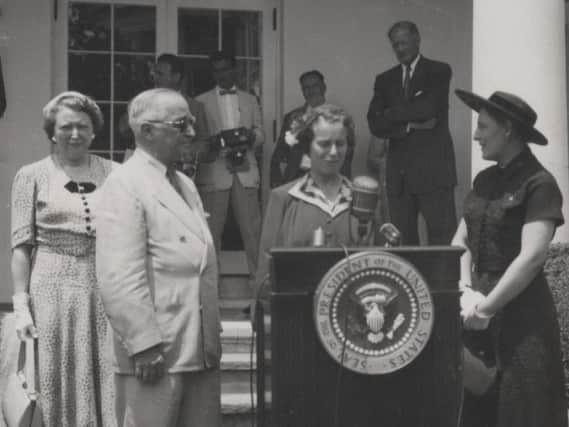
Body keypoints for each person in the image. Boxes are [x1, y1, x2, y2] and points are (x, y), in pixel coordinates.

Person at [96, 88, 221, 427]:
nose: (193, 133)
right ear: (147, 130)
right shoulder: (124, 183)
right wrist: (144, 344)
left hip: (198, 349)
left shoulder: (184, 183)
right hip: (155, 354)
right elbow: (118, 275)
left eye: (192, 122)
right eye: (182, 124)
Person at [453, 89, 568, 427]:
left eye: (483, 127)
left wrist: (488, 307)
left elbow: (532, 257)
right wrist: (465, 293)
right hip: (475, 311)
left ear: (508, 130)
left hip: (521, 316)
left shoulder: (540, 184)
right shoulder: (485, 180)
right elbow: (461, 239)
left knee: (522, 405)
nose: (476, 135)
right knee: (476, 403)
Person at [10, 91, 115, 426]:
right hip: (50, 291)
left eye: (83, 126)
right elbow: (21, 246)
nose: (75, 134)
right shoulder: (32, 175)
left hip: (101, 288)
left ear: (94, 131)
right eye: (66, 126)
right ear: (52, 132)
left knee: (104, 372)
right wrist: (21, 305)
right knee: (54, 375)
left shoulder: (114, 173)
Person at [255, 104, 365, 299]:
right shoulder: (285, 198)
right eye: (324, 144)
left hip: (351, 316)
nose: (333, 152)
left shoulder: (362, 199)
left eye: (340, 144)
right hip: (297, 315)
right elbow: (266, 269)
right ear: (307, 147)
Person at [367, 20, 457, 245]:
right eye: (395, 45)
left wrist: (391, 114)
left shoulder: (438, 71)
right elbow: (374, 122)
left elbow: (428, 108)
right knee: (403, 243)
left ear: (417, 40)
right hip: (400, 176)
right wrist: (409, 125)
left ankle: (444, 283)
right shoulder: (385, 80)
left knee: (443, 240)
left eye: (404, 43)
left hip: (434, 172)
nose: (400, 49)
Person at [196, 50, 264, 282]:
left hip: (245, 170)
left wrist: (250, 137)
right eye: (217, 70)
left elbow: (261, 133)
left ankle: (259, 295)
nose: (222, 74)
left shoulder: (250, 99)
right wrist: (214, 142)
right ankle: (210, 296)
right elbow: (199, 140)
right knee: (211, 236)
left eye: (226, 69)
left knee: (253, 234)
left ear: (235, 70)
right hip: (216, 171)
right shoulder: (201, 101)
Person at [270, 70, 354, 188]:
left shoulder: (340, 117)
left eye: (315, 86)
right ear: (302, 91)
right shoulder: (292, 117)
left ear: (324, 87)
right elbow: (280, 150)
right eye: (306, 88)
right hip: (296, 178)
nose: (311, 91)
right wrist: (276, 176)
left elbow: (347, 153)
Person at [121, 53, 209, 167]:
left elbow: (204, 143)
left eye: (160, 74)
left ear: (176, 77)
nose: (154, 77)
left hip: (179, 173)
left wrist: (190, 152)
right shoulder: (141, 100)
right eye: (154, 73)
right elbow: (123, 130)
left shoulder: (195, 106)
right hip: (143, 170)